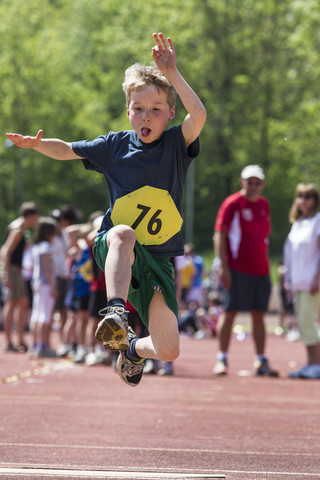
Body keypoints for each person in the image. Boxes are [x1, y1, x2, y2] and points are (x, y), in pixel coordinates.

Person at [6, 32, 207, 387]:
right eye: (139, 109)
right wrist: (37, 146)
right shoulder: (114, 146)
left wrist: (172, 73)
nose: (147, 116)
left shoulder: (177, 143)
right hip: (115, 246)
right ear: (128, 111)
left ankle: (131, 349)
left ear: (170, 113)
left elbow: (200, 114)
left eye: (156, 110)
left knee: (169, 348)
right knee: (123, 232)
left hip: (158, 259)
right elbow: (66, 149)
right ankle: (116, 311)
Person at [213, 165, 278, 377]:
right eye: (249, 182)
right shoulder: (232, 203)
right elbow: (219, 235)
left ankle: (260, 360)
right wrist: (223, 266)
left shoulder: (264, 205)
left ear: (262, 184)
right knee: (229, 312)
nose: (253, 186)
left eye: (257, 182)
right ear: (242, 182)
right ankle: (221, 358)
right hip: (237, 268)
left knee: (259, 314)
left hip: (261, 270)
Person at [284, 183, 320, 379]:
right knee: (304, 323)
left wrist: (317, 278)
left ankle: (316, 364)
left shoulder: (317, 221)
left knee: (309, 323)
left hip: (312, 283)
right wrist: (288, 279)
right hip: (299, 282)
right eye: (300, 196)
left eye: (308, 196)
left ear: (315, 200)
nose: (303, 200)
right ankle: (310, 363)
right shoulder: (298, 223)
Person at [0, 202, 40, 352]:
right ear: (29, 216)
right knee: (13, 303)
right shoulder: (18, 229)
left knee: (20, 303)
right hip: (13, 270)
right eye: (36, 217)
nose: (36, 221)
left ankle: (18, 339)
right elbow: (5, 251)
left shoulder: (19, 227)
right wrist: (7, 275)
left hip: (16, 270)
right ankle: (11, 341)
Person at [29, 217, 58, 358]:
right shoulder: (46, 246)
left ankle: (35, 345)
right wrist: (53, 286)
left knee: (36, 315)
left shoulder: (36, 246)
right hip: (45, 283)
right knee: (45, 316)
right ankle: (43, 346)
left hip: (36, 283)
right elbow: (47, 268)